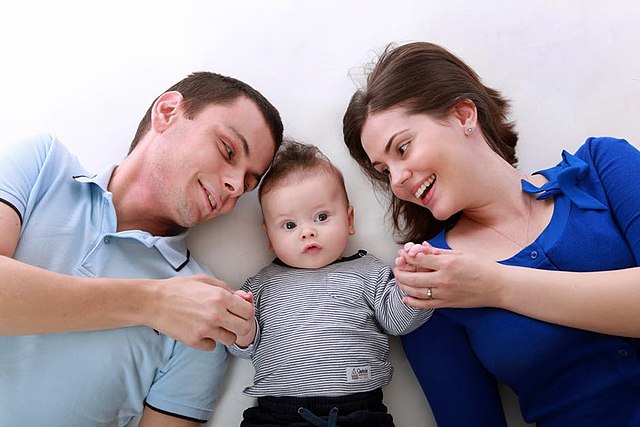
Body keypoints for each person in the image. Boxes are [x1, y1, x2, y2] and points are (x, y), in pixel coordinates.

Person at [342, 41, 640, 426]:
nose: (397, 179)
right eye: (384, 170)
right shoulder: (429, 279)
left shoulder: (604, 166)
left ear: (464, 115)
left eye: (403, 148)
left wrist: (495, 286)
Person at [0, 71, 283, 426]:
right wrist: (155, 303)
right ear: (167, 112)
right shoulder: (42, 166)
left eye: (248, 182)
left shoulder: (203, 313)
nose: (234, 185)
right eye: (228, 151)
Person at [228, 140, 433, 427]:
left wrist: (417, 283)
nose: (308, 232)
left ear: (349, 220)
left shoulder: (369, 271)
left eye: (321, 217)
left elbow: (398, 322)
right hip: (276, 414)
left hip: (361, 411)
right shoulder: (260, 285)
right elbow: (240, 349)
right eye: (289, 225)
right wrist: (244, 330)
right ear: (269, 238)